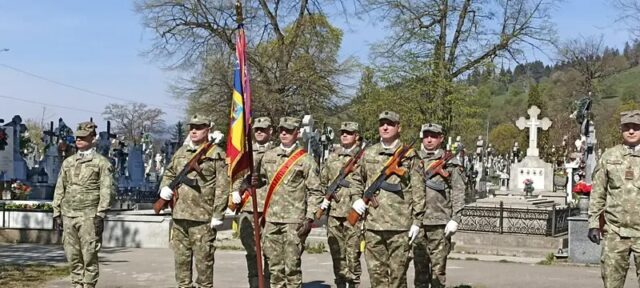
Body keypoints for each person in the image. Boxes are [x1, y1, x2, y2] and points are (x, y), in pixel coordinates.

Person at [351, 111, 425, 288]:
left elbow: (418, 189)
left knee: (398, 279)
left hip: (400, 225)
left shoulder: (410, 155)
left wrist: (417, 221)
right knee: (377, 278)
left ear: (398, 127)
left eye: (390, 124)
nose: (385, 127)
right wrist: (356, 199)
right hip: (373, 226)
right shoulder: (368, 153)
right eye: (382, 124)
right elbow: (356, 179)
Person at [158, 114, 229, 288]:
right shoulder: (181, 152)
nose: (194, 131)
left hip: (202, 218)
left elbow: (222, 186)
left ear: (208, 129)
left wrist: (218, 213)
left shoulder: (216, 153)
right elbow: (169, 172)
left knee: (204, 264)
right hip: (180, 215)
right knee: (181, 263)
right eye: (192, 128)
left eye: (199, 127)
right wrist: (165, 189)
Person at [258, 116, 323, 288]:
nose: (284, 133)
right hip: (271, 220)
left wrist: (309, 218)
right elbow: (261, 183)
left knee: (292, 268)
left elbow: (315, 191)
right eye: (281, 130)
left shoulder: (305, 159)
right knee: (274, 268)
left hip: (294, 221)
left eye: (289, 130)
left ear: (297, 133)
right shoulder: (268, 156)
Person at [52, 121, 115, 288]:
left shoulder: (101, 163)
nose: (79, 140)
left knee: (89, 255)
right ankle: (77, 284)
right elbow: (60, 187)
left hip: (89, 216)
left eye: (83, 137)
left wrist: (101, 214)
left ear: (93, 139)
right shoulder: (69, 162)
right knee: (72, 255)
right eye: (77, 137)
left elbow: (106, 189)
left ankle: (88, 285)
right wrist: (56, 212)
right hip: (68, 214)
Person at [588, 110, 640, 288]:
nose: (631, 131)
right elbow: (598, 192)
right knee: (611, 282)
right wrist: (594, 223)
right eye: (627, 127)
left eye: (636, 127)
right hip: (615, 232)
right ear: (621, 129)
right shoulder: (609, 157)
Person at [412, 123, 465, 288]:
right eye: (426, 135)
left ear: (441, 138)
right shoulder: (414, 159)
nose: (429, 139)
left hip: (440, 223)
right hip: (418, 223)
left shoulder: (450, 163)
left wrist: (456, 218)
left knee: (438, 272)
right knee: (420, 272)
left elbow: (458, 191)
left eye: (433, 136)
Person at [319, 121, 364, 288]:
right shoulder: (332, 157)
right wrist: (324, 199)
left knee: (353, 256)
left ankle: (353, 285)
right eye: (343, 132)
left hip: (354, 215)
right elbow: (323, 181)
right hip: (334, 215)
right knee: (337, 256)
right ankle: (339, 284)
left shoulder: (364, 157)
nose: (345, 135)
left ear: (356, 136)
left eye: (349, 133)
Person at [230, 116, 274, 288]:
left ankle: (268, 284)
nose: (260, 132)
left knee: (271, 252)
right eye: (257, 129)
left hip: (271, 209)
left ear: (271, 131)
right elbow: (236, 176)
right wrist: (235, 191)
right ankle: (255, 285)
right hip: (249, 208)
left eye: (264, 129)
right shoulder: (245, 154)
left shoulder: (278, 153)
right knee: (251, 252)